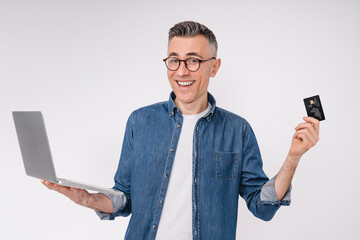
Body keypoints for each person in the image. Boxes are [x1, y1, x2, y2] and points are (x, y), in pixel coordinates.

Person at [42, 21, 320, 240]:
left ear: (215, 67)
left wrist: (293, 156)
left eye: (193, 60)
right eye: (174, 60)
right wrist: (88, 198)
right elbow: (124, 199)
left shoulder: (238, 130)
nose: (182, 71)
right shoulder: (140, 122)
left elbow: (262, 206)